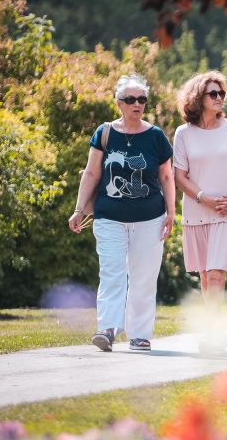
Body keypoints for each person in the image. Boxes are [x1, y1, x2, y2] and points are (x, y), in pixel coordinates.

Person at [68, 73, 175, 351]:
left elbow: (167, 177)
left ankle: (140, 334)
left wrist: (172, 213)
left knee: (143, 276)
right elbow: (92, 173)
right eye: (130, 99)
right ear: (118, 103)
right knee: (111, 273)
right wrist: (79, 210)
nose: (137, 104)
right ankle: (107, 329)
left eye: (142, 99)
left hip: (150, 218)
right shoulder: (104, 133)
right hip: (109, 217)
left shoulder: (155, 137)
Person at [172, 71, 227, 343]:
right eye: (213, 94)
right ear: (198, 98)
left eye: (222, 93)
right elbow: (180, 176)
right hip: (197, 211)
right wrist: (204, 198)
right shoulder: (183, 133)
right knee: (206, 277)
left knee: (217, 274)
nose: (220, 98)